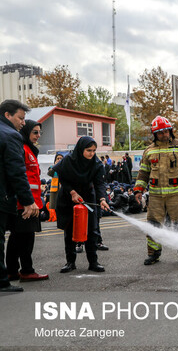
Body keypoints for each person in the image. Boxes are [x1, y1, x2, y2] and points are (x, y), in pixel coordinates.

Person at [133, 116, 178, 265]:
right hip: (156, 196)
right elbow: (143, 173)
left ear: (170, 131)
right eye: (160, 132)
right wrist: (138, 189)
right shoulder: (149, 151)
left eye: (166, 131)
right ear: (154, 134)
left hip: (177, 195)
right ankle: (153, 254)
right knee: (153, 225)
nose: (164, 134)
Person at [52, 137, 111, 273]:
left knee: (92, 230)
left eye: (94, 151)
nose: (91, 153)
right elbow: (62, 178)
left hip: (88, 197)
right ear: (80, 149)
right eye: (88, 150)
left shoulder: (96, 163)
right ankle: (70, 262)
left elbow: (99, 183)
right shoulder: (68, 160)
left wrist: (102, 199)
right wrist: (72, 192)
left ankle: (93, 262)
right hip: (68, 197)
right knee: (70, 230)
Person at [0, 100, 39, 292]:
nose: (23, 123)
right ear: (7, 115)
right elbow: (16, 172)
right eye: (20, 118)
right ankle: (2, 281)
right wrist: (28, 201)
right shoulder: (10, 136)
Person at [6, 119, 49, 281]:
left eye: (39, 132)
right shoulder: (22, 149)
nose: (38, 135)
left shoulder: (29, 150)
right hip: (24, 203)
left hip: (30, 201)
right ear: (26, 132)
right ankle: (26, 270)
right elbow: (19, 176)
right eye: (35, 132)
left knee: (17, 237)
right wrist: (27, 201)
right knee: (25, 238)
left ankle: (12, 270)